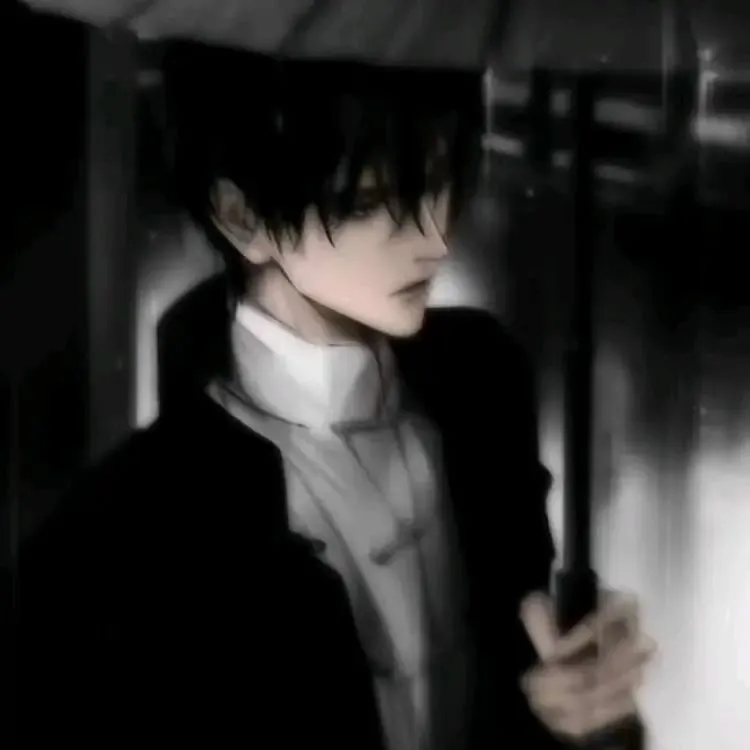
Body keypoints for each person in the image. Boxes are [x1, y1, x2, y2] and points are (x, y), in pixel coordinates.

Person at [15, 40, 655, 750]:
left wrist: (590, 713)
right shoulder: (131, 520)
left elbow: (525, 680)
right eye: (373, 200)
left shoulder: (480, 383)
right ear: (240, 215)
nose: (434, 237)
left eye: (443, 179)